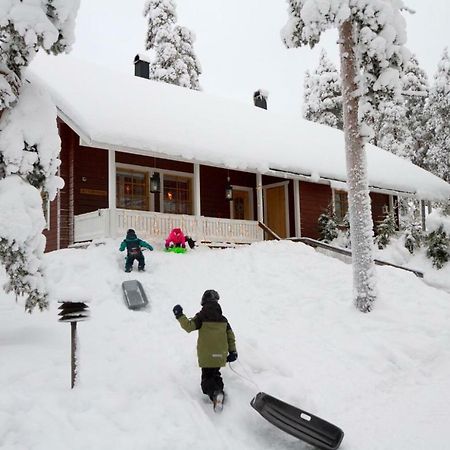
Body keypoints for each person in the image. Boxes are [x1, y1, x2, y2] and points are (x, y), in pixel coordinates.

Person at [173, 290, 237, 410]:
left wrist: (179, 315)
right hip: (221, 354)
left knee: (207, 378)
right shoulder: (223, 319)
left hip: (207, 355)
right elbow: (230, 336)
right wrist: (233, 351)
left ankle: (215, 394)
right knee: (216, 374)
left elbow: (188, 326)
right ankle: (220, 393)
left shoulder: (201, 316)